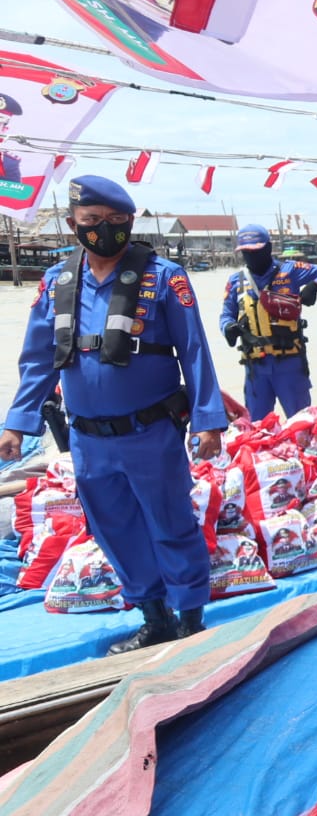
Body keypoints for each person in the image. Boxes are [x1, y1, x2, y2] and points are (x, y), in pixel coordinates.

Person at [0, 175, 227, 654]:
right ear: (73, 225)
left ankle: (190, 621)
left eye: (117, 220)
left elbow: (195, 351)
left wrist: (208, 420)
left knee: (171, 523)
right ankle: (154, 617)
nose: (105, 229)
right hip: (86, 440)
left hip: (151, 432)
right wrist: (17, 425)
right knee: (115, 529)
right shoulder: (56, 282)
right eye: (92, 222)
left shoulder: (165, 277)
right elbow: (38, 359)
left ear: (130, 221)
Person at [220, 224, 317, 420]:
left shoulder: (290, 270)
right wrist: (228, 327)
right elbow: (226, 315)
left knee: (301, 424)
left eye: (256, 251)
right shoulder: (236, 281)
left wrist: (315, 286)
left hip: (290, 366)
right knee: (256, 428)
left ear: (268, 248)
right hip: (255, 370)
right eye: (246, 252)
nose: (252, 257)